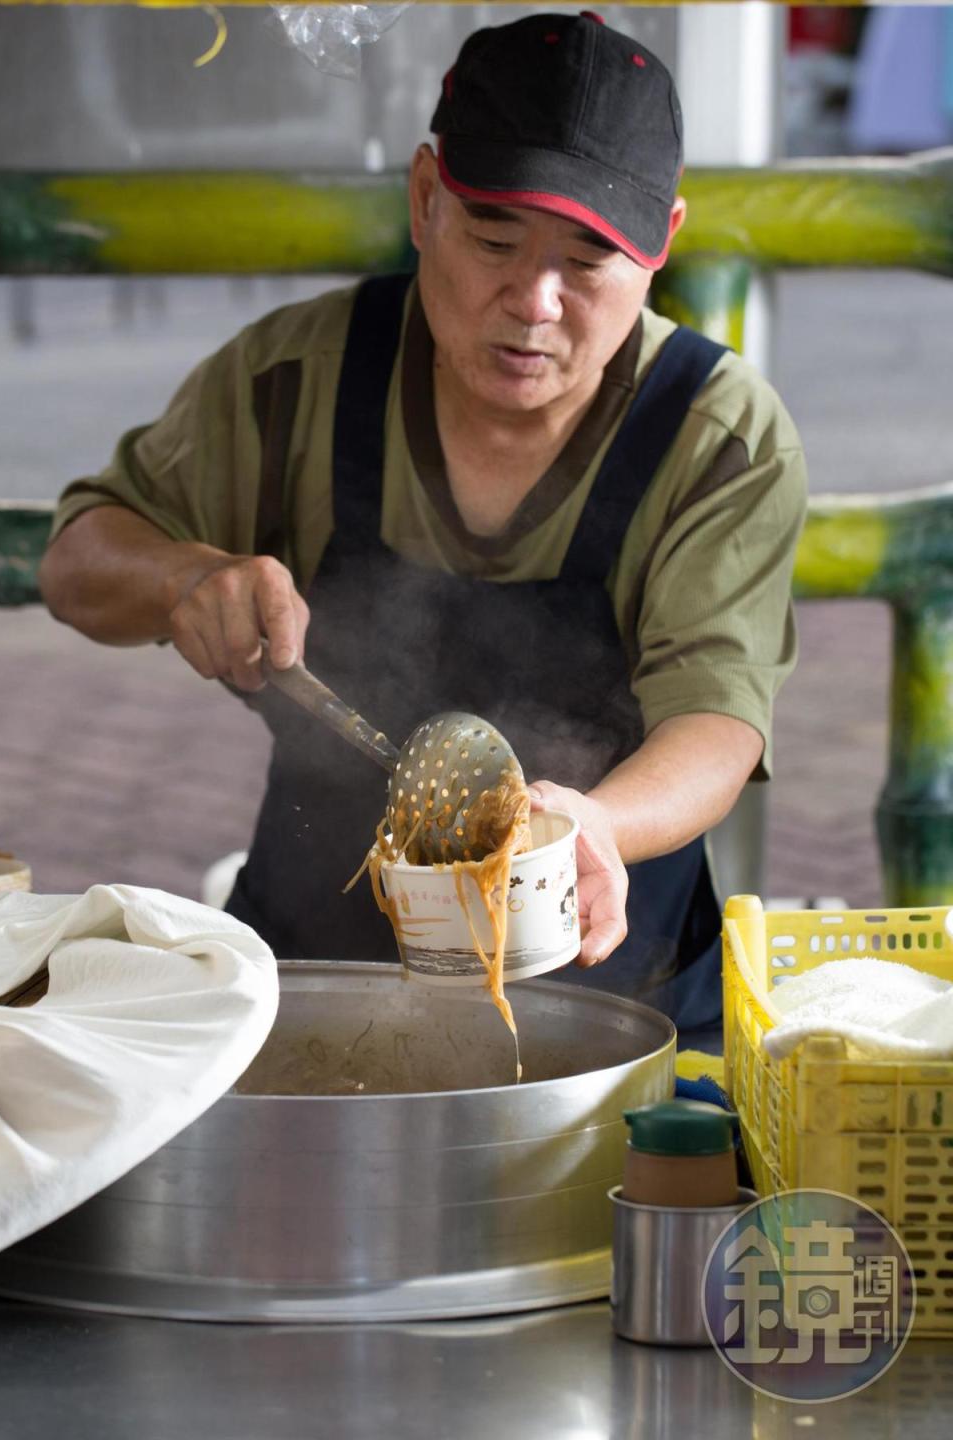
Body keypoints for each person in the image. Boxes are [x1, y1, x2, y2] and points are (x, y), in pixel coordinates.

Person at [39, 11, 807, 1032]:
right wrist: (181, 577)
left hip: (614, 996)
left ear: (663, 244)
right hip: (312, 989)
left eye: (588, 261)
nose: (533, 301)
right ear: (424, 199)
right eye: (495, 238)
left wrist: (592, 820)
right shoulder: (296, 383)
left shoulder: (716, 435)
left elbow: (718, 720)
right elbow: (79, 558)